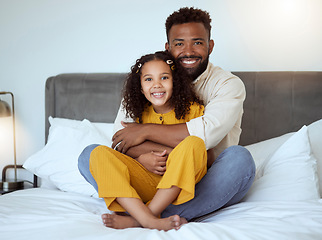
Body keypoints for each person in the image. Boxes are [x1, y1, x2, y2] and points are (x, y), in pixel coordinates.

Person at [79, 7, 255, 222]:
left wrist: (144, 131)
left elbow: (202, 139)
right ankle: (150, 215)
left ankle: (141, 218)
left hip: (202, 181)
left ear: (210, 46)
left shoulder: (228, 84)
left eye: (197, 42)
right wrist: (143, 158)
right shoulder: (145, 84)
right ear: (168, 47)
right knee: (90, 155)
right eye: (179, 43)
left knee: (240, 159)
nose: (188, 51)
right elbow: (120, 140)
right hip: (147, 176)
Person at [88, 51, 208, 230]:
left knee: (194, 143)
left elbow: (206, 154)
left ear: (175, 80)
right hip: (146, 181)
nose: (157, 85)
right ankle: (148, 219)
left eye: (164, 77)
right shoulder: (138, 113)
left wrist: (153, 148)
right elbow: (120, 146)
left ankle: (142, 219)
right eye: (149, 79)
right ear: (140, 86)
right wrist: (141, 159)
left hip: (180, 184)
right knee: (98, 153)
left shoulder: (194, 110)